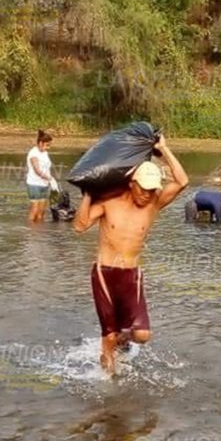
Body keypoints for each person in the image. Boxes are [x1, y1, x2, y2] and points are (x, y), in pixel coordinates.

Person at [73, 136, 189, 376]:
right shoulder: (110, 201)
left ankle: (121, 339)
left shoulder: (154, 204)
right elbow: (80, 226)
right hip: (105, 274)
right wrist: (88, 194)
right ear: (131, 183)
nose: (147, 194)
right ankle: (109, 383)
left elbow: (182, 181)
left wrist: (163, 148)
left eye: (152, 189)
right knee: (108, 336)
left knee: (142, 335)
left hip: (132, 276)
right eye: (144, 189)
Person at [25, 130, 58, 223]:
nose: (48, 148)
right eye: (47, 145)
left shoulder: (44, 153)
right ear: (40, 143)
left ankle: (39, 231)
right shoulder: (33, 154)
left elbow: (46, 168)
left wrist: (50, 179)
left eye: (49, 145)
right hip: (34, 184)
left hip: (44, 184)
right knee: (34, 210)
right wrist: (50, 178)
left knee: (41, 212)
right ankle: (29, 230)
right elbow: (37, 170)